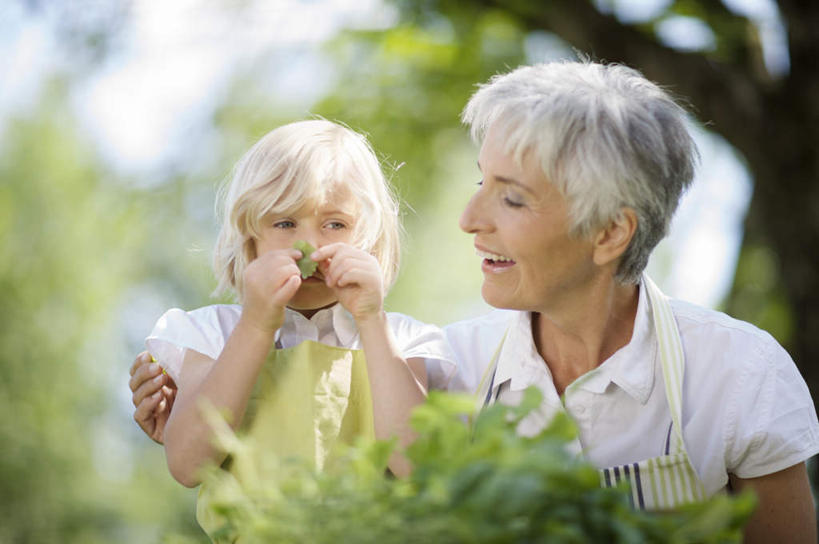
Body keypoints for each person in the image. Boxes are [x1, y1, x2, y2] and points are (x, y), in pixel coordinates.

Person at [131, 62, 819, 542]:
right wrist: (199, 394)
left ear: (609, 232)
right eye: (480, 182)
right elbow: (268, 438)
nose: (467, 217)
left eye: (511, 197)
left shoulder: (737, 374)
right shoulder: (453, 363)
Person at [133, 119, 454, 540]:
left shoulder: (399, 339)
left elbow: (420, 466)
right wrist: (255, 324)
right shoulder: (212, 333)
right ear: (251, 242)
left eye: (335, 224)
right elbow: (188, 463)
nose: (311, 246)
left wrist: (371, 321)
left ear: (370, 242)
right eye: (285, 224)